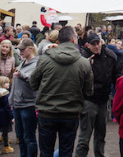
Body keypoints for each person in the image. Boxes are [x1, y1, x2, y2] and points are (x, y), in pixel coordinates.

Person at [30, 26, 93, 157]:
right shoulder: (83, 63)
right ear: (73, 39)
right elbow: (89, 91)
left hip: (47, 112)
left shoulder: (45, 59)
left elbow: (33, 83)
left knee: (46, 152)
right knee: (66, 152)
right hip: (70, 114)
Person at [75, 32, 118, 157]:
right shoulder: (83, 58)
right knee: (84, 138)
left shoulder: (109, 56)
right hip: (89, 100)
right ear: (88, 45)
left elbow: (116, 76)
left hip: (103, 100)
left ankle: (100, 155)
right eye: (93, 44)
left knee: (101, 136)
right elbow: (77, 80)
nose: (96, 46)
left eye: (98, 43)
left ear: (101, 42)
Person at [12, 39, 38, 157]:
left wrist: (21, 75)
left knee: (29, 137)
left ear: (31, 49)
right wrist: (11, 100)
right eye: (20, 49)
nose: (20, 51)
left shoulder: (37, 63)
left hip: (28, 105)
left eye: (23, 49)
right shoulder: (23, 63)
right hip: (18, 104)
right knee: (21, 136)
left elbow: (34, 80)